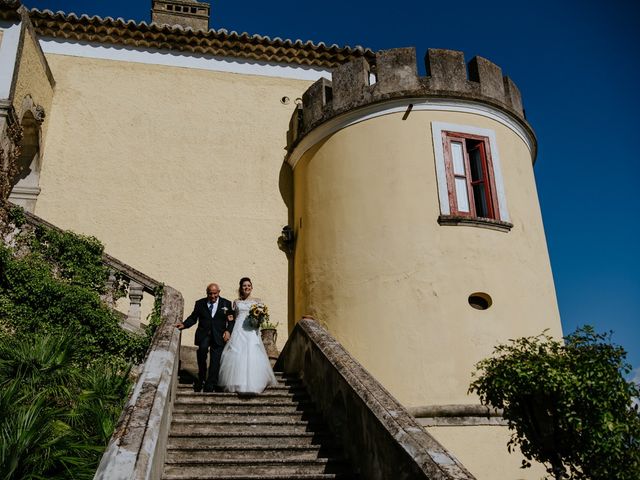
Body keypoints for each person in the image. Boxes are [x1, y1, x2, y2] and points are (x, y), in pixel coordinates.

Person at [218, 277, 277, 394]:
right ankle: (238, 382)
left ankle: (253, 384)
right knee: (238, 353)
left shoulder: (258, 301)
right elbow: (233, 317)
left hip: (251, 330)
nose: (247, 287)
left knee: (252, 353)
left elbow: (261, 317)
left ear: (252, 287)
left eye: (249, 285)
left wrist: (258, 320)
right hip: (239, 329)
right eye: (244, 285)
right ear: (241, 288)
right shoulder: (236, 302)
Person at [175, 283, 234, 392]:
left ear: (219, 292)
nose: (212, 296)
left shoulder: (226, 303)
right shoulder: (200, 303)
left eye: (215, 293)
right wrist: (184, 324)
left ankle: (210, 383)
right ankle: (201, 377)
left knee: (215, 360)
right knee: (202, 351)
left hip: (218, 336)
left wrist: (228, 331)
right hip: (204, 335)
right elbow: (193, 318)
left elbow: (231, 321)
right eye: (210, 294)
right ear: (207, 293)